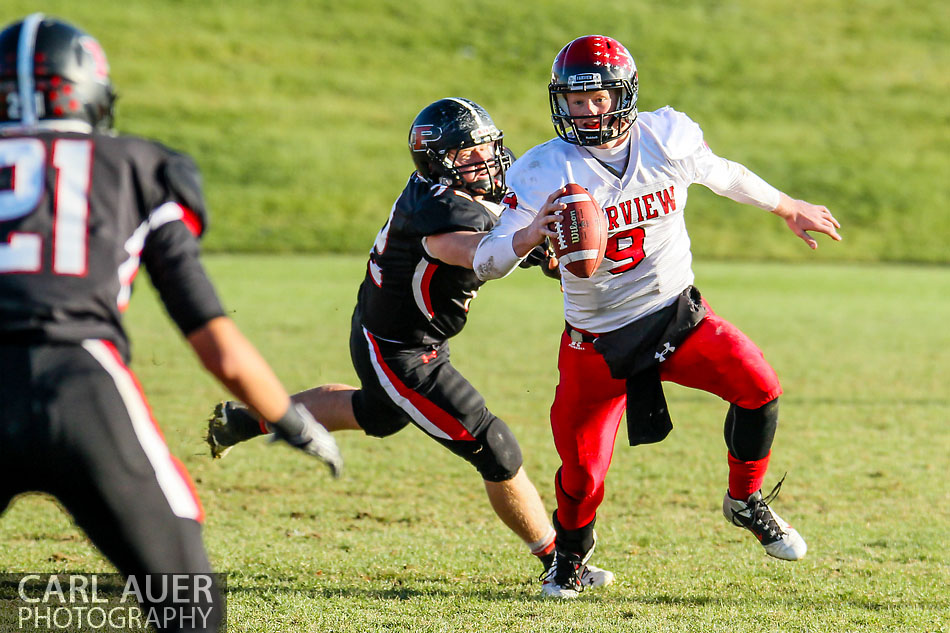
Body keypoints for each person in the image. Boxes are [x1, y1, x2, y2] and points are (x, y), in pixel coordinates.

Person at [0, 14, 341, 632]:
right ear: (89, 94)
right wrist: (290, 419)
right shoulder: (136, 165)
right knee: (189, 603)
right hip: (82, 387)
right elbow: (214, 339)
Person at [472, 34, 842, 598]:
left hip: (676, 316)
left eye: (598, 97)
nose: (588, 109)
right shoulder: (542, 170)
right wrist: (529, 234)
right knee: (582, 475)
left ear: (624, 94)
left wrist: (788, 206)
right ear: (559, 103)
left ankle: (744, 499)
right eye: (575, 100)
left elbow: (725, 174)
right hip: (596, 341)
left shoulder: (665, 136)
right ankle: (570, 558)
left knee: (760, 387)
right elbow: (490, 260)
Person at [206, 97, 610, 587]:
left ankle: (243, 420)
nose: (483, 161)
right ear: (437, 163)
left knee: (377, 415)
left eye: (486, 148)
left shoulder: (458, 187)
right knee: (494, 447)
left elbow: (503, 226)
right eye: (466, 156)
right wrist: (528, 240)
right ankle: (559, 563)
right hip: (400, 350)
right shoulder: (438, 209)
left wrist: (548, 247)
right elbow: (478, 254)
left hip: (392, 331)